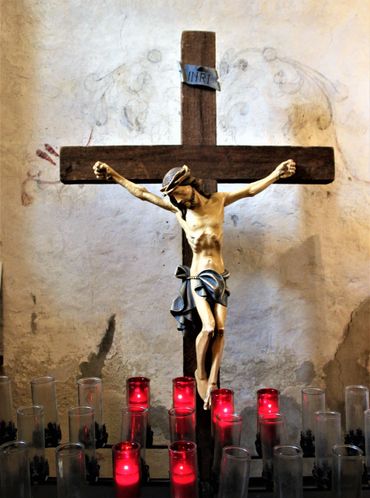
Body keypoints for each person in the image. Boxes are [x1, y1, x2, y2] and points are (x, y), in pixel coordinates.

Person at [93, 159, 296, 409]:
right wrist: (113, 173)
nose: (179, 199)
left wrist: (276, 173)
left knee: (221, 330)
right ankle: (200, 372)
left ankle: (212, 381)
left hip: (220, 277)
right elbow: (143, 194)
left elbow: (251, 189)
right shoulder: (181, 212)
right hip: (198, 277)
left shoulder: (219, 201)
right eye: (174, 196)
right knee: (209, 327)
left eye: (180, 192)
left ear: (190, 184)